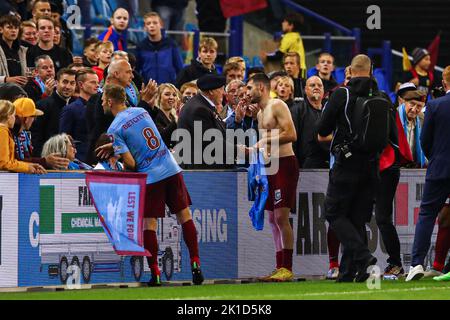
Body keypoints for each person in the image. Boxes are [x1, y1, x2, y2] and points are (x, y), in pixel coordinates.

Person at [99, 83, 204, 286]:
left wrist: (116, 153)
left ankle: (155, 274)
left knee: (150, 224)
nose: (102, 103)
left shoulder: (114, 128)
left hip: (151, 177)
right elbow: (143, 138)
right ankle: (195, 264)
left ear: (110, 101)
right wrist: (116, 146)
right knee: (184, 216)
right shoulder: (141, 111)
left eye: (103, 99)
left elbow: (131, 162)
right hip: (171, 167)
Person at [317, 54, 382, 282]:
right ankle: (349, 273)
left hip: (346, 164)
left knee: (334, 213)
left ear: (351, 72)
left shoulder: (341, 94)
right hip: (372, 166)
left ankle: (364, 258)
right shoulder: (381, 96)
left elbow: (322, 128)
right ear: (371, 71)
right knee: (356, 220)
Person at [243, 73, 299, 282]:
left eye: (249, 88)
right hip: (269, 167)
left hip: (285, 164)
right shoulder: (259, 114)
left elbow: (292, 134)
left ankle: (288, 267)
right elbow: (266, 142)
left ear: (261, 87)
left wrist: (262, 142)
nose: (247, 93)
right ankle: (279, 266)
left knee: (280, 217)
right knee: (271, 218)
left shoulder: (277, 105)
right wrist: (254, 151)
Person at [406, 65, 450, 281]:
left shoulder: (435, 105)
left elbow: (424, 140)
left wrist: (437, 156)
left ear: (444, 83)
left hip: (440, 168)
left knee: (427, 214)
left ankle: (416, 264)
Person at [177, 74, 235, 169]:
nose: (224, 93)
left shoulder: (203, 104)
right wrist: (239, 150)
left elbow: (220, 129)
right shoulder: (199, 109)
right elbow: (212, 142)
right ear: (211, 91)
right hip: (200, 170)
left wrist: (236, 120)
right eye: (221, 89)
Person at [12, 97, 69, 169]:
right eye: (33, 117)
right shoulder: (9, 135)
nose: (34, 120)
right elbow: (14, 161)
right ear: (26, 118)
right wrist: (44, 161)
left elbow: (27, 159)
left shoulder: (23, 135)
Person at [31, 68, 77, 156]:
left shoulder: (78, 105)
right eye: (65, 82)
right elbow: (36, 137)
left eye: (72, 83)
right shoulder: (43, 105)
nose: (68, 87)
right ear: (56, 83)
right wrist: (43, 160)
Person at [59, 69, 99, 162]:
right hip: (79, 159)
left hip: (97, 158)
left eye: (97, 82)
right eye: (93, 82)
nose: (97, 85)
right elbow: (64, 138)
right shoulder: (70, 109)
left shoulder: (100, 108)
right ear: (81, 85)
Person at [136, 11, 184, 85]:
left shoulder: (171, 44)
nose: (152, 26)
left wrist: (176, 86)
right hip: (149, 89)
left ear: (161, 25)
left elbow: (180, 69)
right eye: (148, 23)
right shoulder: (141, 47)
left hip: (168, 89)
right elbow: (137, 71)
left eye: (155, 23)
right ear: (144, 27)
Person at [0, 99, 46, 174]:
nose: (15, 118)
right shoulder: (3, 131)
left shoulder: (6, 132)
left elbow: (10, 161)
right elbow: (4, 163)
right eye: (13, 115)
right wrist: (27, 168)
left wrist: (29, 165)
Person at [261, 12, 306, 78]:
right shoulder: (297, 36)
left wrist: (267, 56)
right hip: (302, 68)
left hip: (294, 68)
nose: (282, 23)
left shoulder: (288, 37)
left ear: (291, 25)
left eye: (285, 21)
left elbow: (279, 54)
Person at [0, 14, 28, 86]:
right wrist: (6, 79)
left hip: (18, 92)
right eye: (9, 27)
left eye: (16, 28)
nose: (13, 31)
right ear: (1, 29)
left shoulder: (21, 51)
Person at [152, 83, 180, 149]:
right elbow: (161, 138)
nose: (171, 97)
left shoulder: (173, 117)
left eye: (174, 95)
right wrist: (176, 122)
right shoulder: (155, 115)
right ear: (158, 97)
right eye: (167, 94)